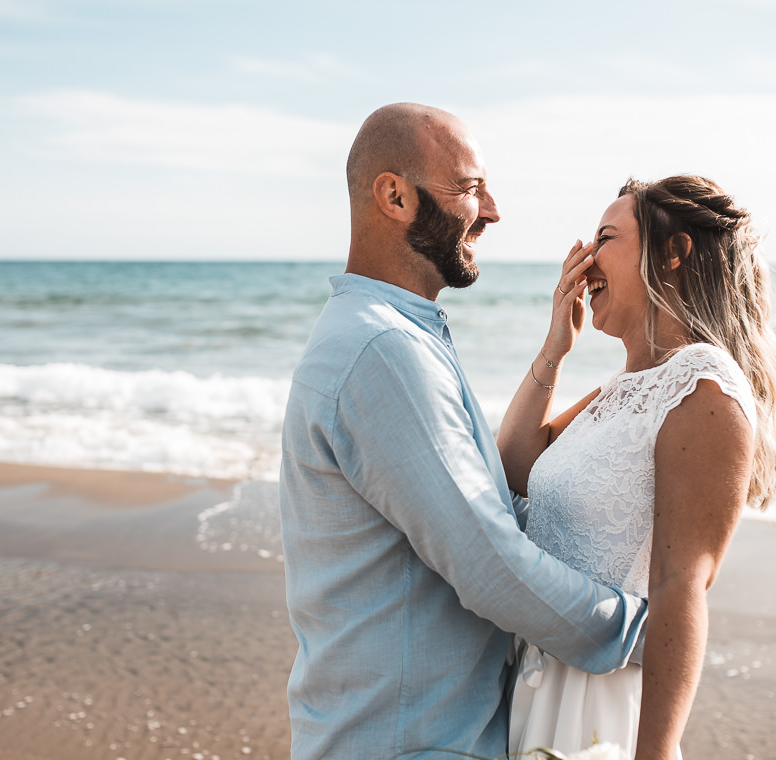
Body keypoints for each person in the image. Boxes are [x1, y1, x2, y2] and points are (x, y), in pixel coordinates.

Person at [278, 103, 648, 760]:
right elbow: (489, 566)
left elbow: (492, 505)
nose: (495, 210)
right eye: (471, 187)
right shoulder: (382, 351)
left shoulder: (396, 336)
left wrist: (558, 361)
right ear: (394, 196)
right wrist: (645, 630)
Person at [498, 175, 776, 759]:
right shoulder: (621, 389)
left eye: (606, 237)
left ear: (672, 253)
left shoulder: (700, 383)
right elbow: (513, 468)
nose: (583, 258)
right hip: (532, 684)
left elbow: (680, 589)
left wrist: (654, 754)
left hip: (596, 702)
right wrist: (555, 346)